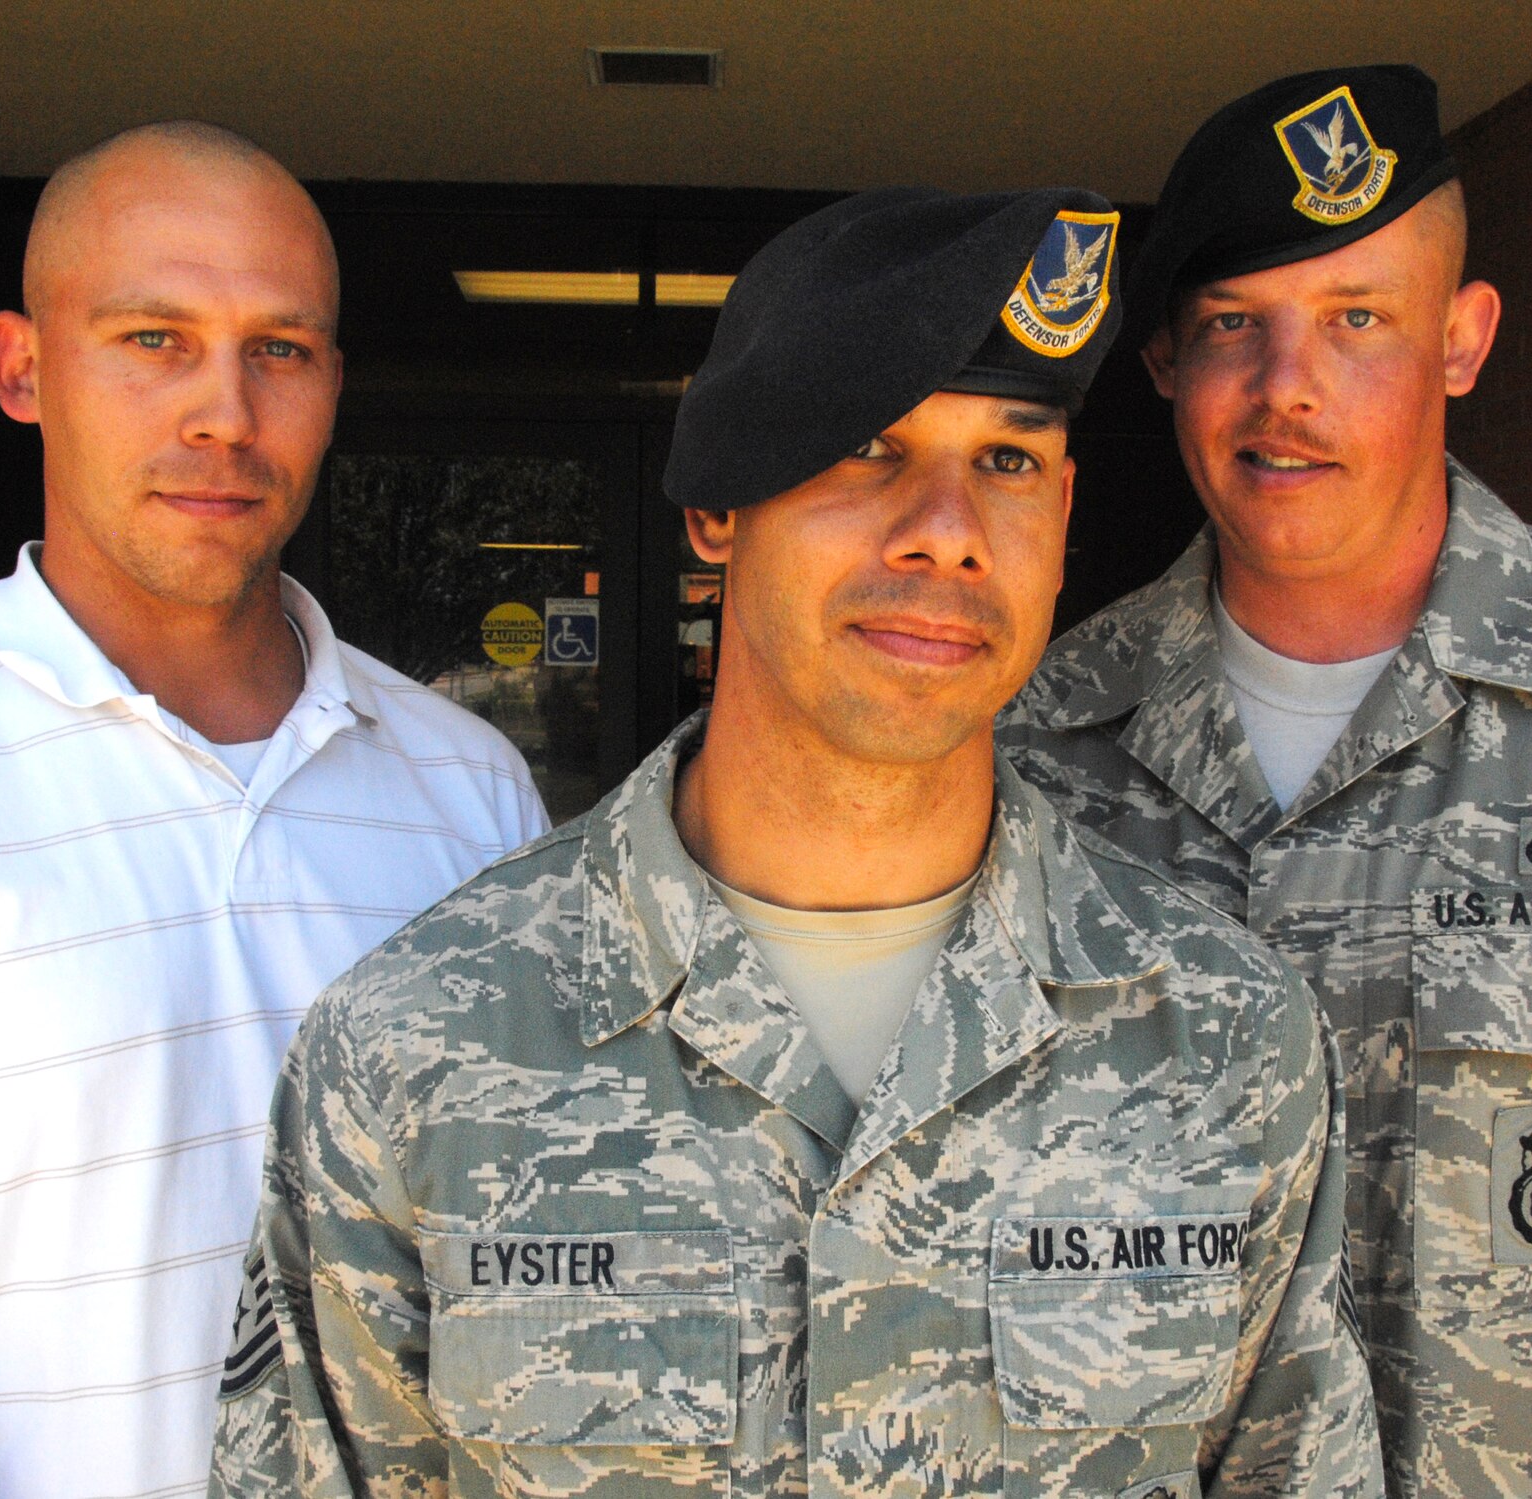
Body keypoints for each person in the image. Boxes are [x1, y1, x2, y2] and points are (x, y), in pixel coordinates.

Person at [207, 186, 1384, 1499]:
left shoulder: (1226, 1038)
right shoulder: (418, 1048)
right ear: (715, 511)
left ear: (1061, 517)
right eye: (871, 451)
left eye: (1005, 460)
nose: (945, 529)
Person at [998, 65, 1532, 1498]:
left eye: (1356, 319)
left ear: (1463, 338)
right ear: (1165, 369)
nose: (1285, 387)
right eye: (1233, 326)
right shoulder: (1032, 754)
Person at [0, 122, 548, 1499]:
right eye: (153, 339)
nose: (225, 411)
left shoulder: (468, 791)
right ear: (22, 369)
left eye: (281, 348)